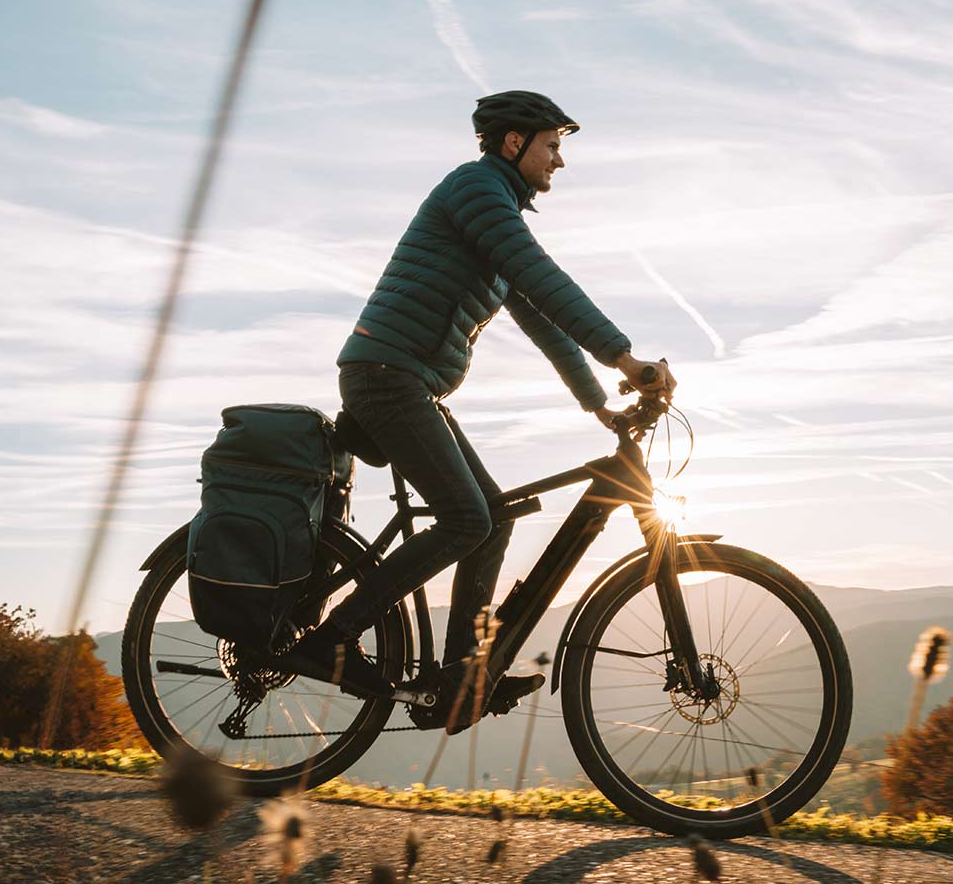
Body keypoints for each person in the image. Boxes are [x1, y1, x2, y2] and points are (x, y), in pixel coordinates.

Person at [280, 90, 676, 704]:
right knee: (467, 518)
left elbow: (540, 313)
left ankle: (462, 675)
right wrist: (624, 355)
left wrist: (598, 401)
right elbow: (543, 275)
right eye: (552, 146)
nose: (559, 162)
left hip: (409, 380)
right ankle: (333, 639)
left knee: (493, 516)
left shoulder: (495, 216)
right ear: (513, 142)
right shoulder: (476, 191)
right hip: (386, 374)